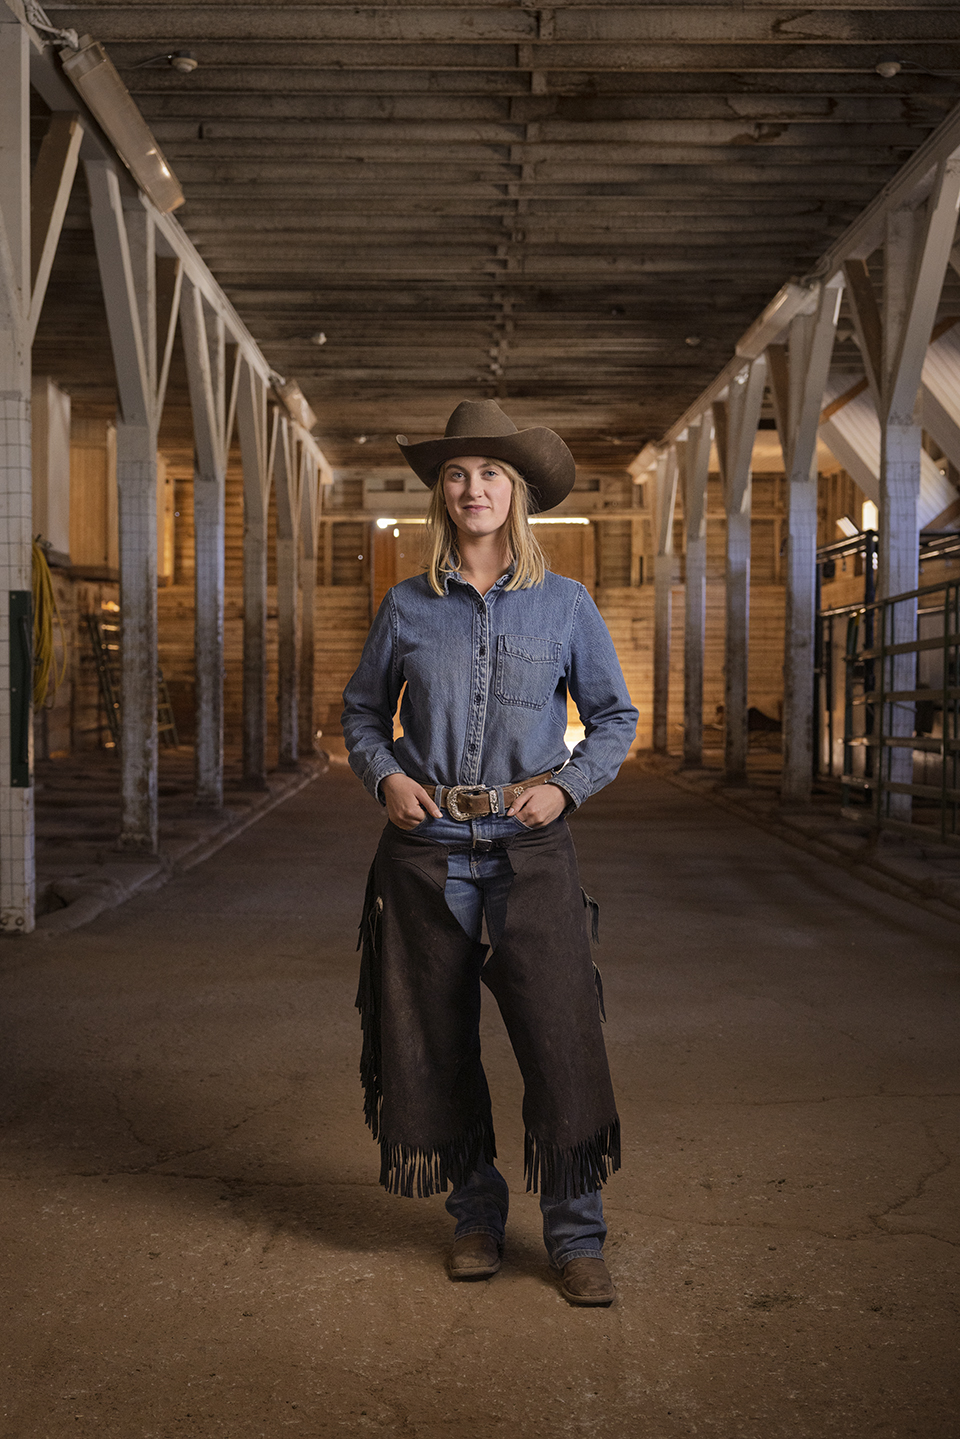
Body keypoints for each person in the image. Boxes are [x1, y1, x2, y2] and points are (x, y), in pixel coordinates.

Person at [341, 399, 638, 1306]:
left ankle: (575, 1233)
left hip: (530, 848)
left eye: (492, 474)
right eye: (460, 474)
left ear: (518, 493)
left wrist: (566, 786)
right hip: (425, 853)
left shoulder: (567, 604)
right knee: (433, 1041)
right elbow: (362, 713)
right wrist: (385, 778)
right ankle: (474, 1217)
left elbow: (616, 717)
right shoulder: (406, 605)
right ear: (443, 493)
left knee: (560, 1037)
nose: (475, 488)